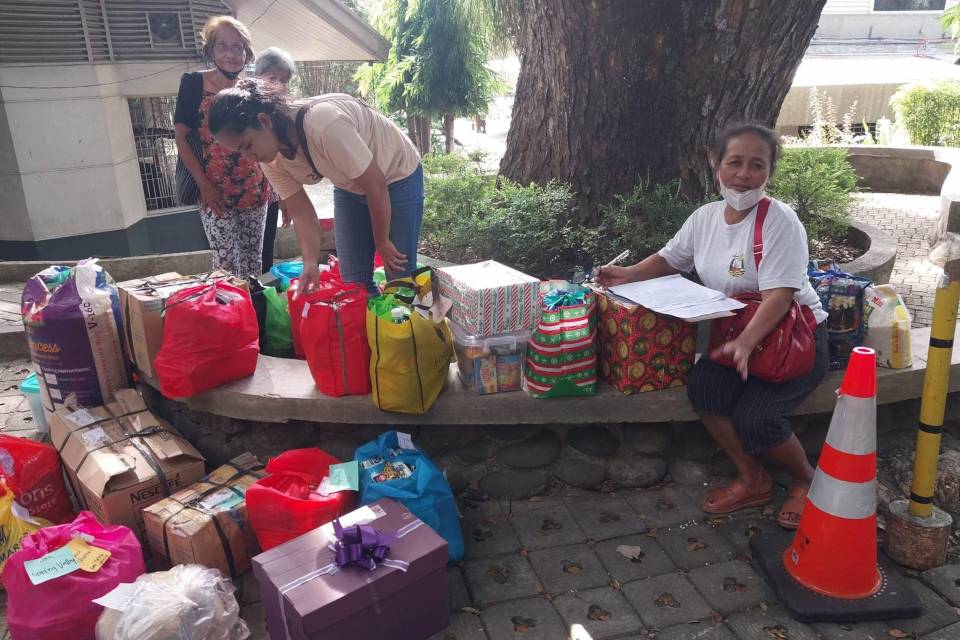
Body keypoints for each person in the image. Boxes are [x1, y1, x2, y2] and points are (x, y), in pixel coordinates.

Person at [597, 123, 830, 529]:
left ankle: (806, 480)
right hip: (736, 335)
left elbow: (779, 296)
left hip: (791, 339)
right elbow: (672, 259)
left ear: (769, 172)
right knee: (703, 388)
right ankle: (753, 478)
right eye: (735, 162)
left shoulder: (780, 221)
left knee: (756, 417)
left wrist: (744, 344)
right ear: (716, 163)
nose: (743, 174)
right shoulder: (704, 218)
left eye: (756, 165)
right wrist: (628, 274)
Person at [206, 79, 423, 294]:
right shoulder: (269, 160)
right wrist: (309, 262)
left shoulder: (323, 124)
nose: (250, 158)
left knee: (399, 278)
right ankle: (373, 326)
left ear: (264, 121)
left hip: (396, 174)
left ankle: (404, 325)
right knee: (353, 283)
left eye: (247, 146)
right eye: (241, 152)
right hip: (350, 184)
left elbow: (376, 184)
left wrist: (382, 242)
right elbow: (301, 213)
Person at [174, 16, 271, 278]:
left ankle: (253, 317)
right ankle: (230, 318)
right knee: (225, 266)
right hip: (214, 192)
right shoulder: (193, 85)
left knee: (252, 265)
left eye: (237, 47)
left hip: (254, 188)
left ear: (246, 53)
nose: (230, 54)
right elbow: (181, 138)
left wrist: (279, 190)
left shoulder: (253, 88)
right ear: (211, 51)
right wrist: (204, 186)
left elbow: (267, 137)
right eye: (222, 46)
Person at [253, 47, 298, 272]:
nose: (278, 85)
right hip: (240, 190)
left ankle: (263, 298)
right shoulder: (247, 106)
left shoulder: (284, 113)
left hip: (268, 189)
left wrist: (284, 197)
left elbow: (282, 159)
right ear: (257, 77)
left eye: (284, 80)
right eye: (272, 78)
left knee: (265, 250)